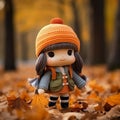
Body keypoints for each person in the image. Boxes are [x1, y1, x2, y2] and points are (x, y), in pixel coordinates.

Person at [29, 18, 87, 109]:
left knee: (65, 98)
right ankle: (51, 107)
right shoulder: (50, 71)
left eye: (69, 53)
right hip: (54, 89)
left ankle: (65, 108)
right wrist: (42, 88)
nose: (63, 58)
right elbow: (45, 79)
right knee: (53, 98)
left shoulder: (69, 69)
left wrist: (81, 85)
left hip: (66, 90)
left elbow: (75, 77)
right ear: (42, 57)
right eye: (51, 54)